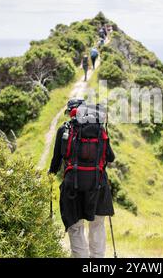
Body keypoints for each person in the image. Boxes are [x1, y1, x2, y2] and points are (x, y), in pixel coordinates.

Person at [48, 100, 115, 258]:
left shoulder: (64, 130)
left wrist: (50, 174)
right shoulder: (99, 130)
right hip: (98, 186)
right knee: (97, 226)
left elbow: (56, 161)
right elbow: (110, 157)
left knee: (76, 226)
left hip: (73, 188)